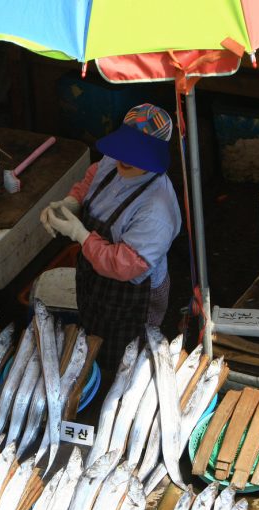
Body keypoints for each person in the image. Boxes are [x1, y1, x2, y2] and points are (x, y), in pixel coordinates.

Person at [40, 103, 182, 363]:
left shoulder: (155, 211)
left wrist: (80, 235)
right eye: (124, 149)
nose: (125, 159)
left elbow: (125, 266)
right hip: (95, 280)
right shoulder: (112, 161)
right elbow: (92, 178)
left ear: (154, 157)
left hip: (133, 297)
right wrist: (72, 202)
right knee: (92, 331)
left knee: (125, 357)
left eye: (136, 155)